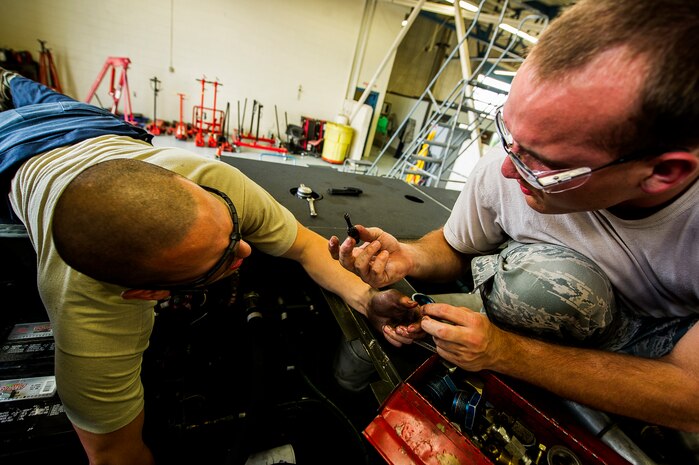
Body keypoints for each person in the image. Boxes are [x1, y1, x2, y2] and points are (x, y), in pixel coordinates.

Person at [0, 70, 415, 465]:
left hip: (94, 125)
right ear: (149, 293)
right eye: (223, 259)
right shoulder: (87, 315)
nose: (249, 250)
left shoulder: (212, 180)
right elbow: (113, 455)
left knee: (25, 88)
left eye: (233, 229)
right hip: (13, 145)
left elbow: (306, 246)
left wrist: (366, 298)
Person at [330, 0, 699, 433]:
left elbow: (691, 393)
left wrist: (506, 352)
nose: (509, 168)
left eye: (541, 162)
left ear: (663, 173)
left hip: (665, 354)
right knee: (538, 285)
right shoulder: (505, 167)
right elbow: (454, 246)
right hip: (562, 322)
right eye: (509, 133)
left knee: (546, 285)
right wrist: (409, 257)